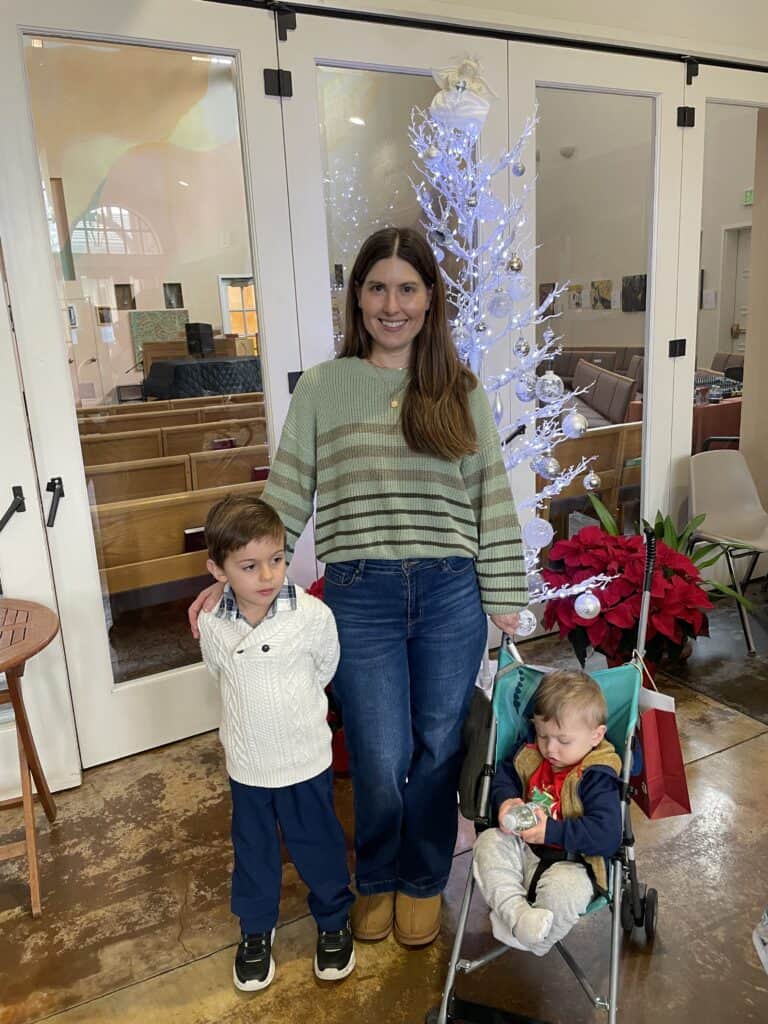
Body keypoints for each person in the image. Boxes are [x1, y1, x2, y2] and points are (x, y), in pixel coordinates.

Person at [190, 226, 527, 948]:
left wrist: (504, 592)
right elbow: (283, 498)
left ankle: (424, 880)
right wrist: (232, 577)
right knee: (378, 756)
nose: (392, 303)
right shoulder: (324, 386)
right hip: (360, 594)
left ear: (431, 299)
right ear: (358, 298)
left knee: (438, 748)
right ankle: (375, 876)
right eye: (378, 287)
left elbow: (490, 497)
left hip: (449, 592)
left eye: (408, 288)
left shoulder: (460, 391)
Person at [198, 494, 355, 991]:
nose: (267, 575)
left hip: (304, 758)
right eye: (249, 566)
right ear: (218, 570)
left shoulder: (311, 616)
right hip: (248, 764)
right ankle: (255, 930)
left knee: (318, 842)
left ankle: (333, 919)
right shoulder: (213, 624)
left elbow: (326, 667)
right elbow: (220, 673)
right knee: (253, 850)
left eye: (276, 559)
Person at [472, 669, 622, 955]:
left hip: (574, 863)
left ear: (595, 736)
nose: (550, 748)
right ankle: (516, 916)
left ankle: (526, 934)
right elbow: (503, 777)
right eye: (543, 736)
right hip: (523, 850)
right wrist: (506, 800)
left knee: (564, 892)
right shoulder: (530, 755)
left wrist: (550, 831)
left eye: (563, 741)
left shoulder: (596, 776)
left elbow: (607, 836)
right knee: (488, 842)